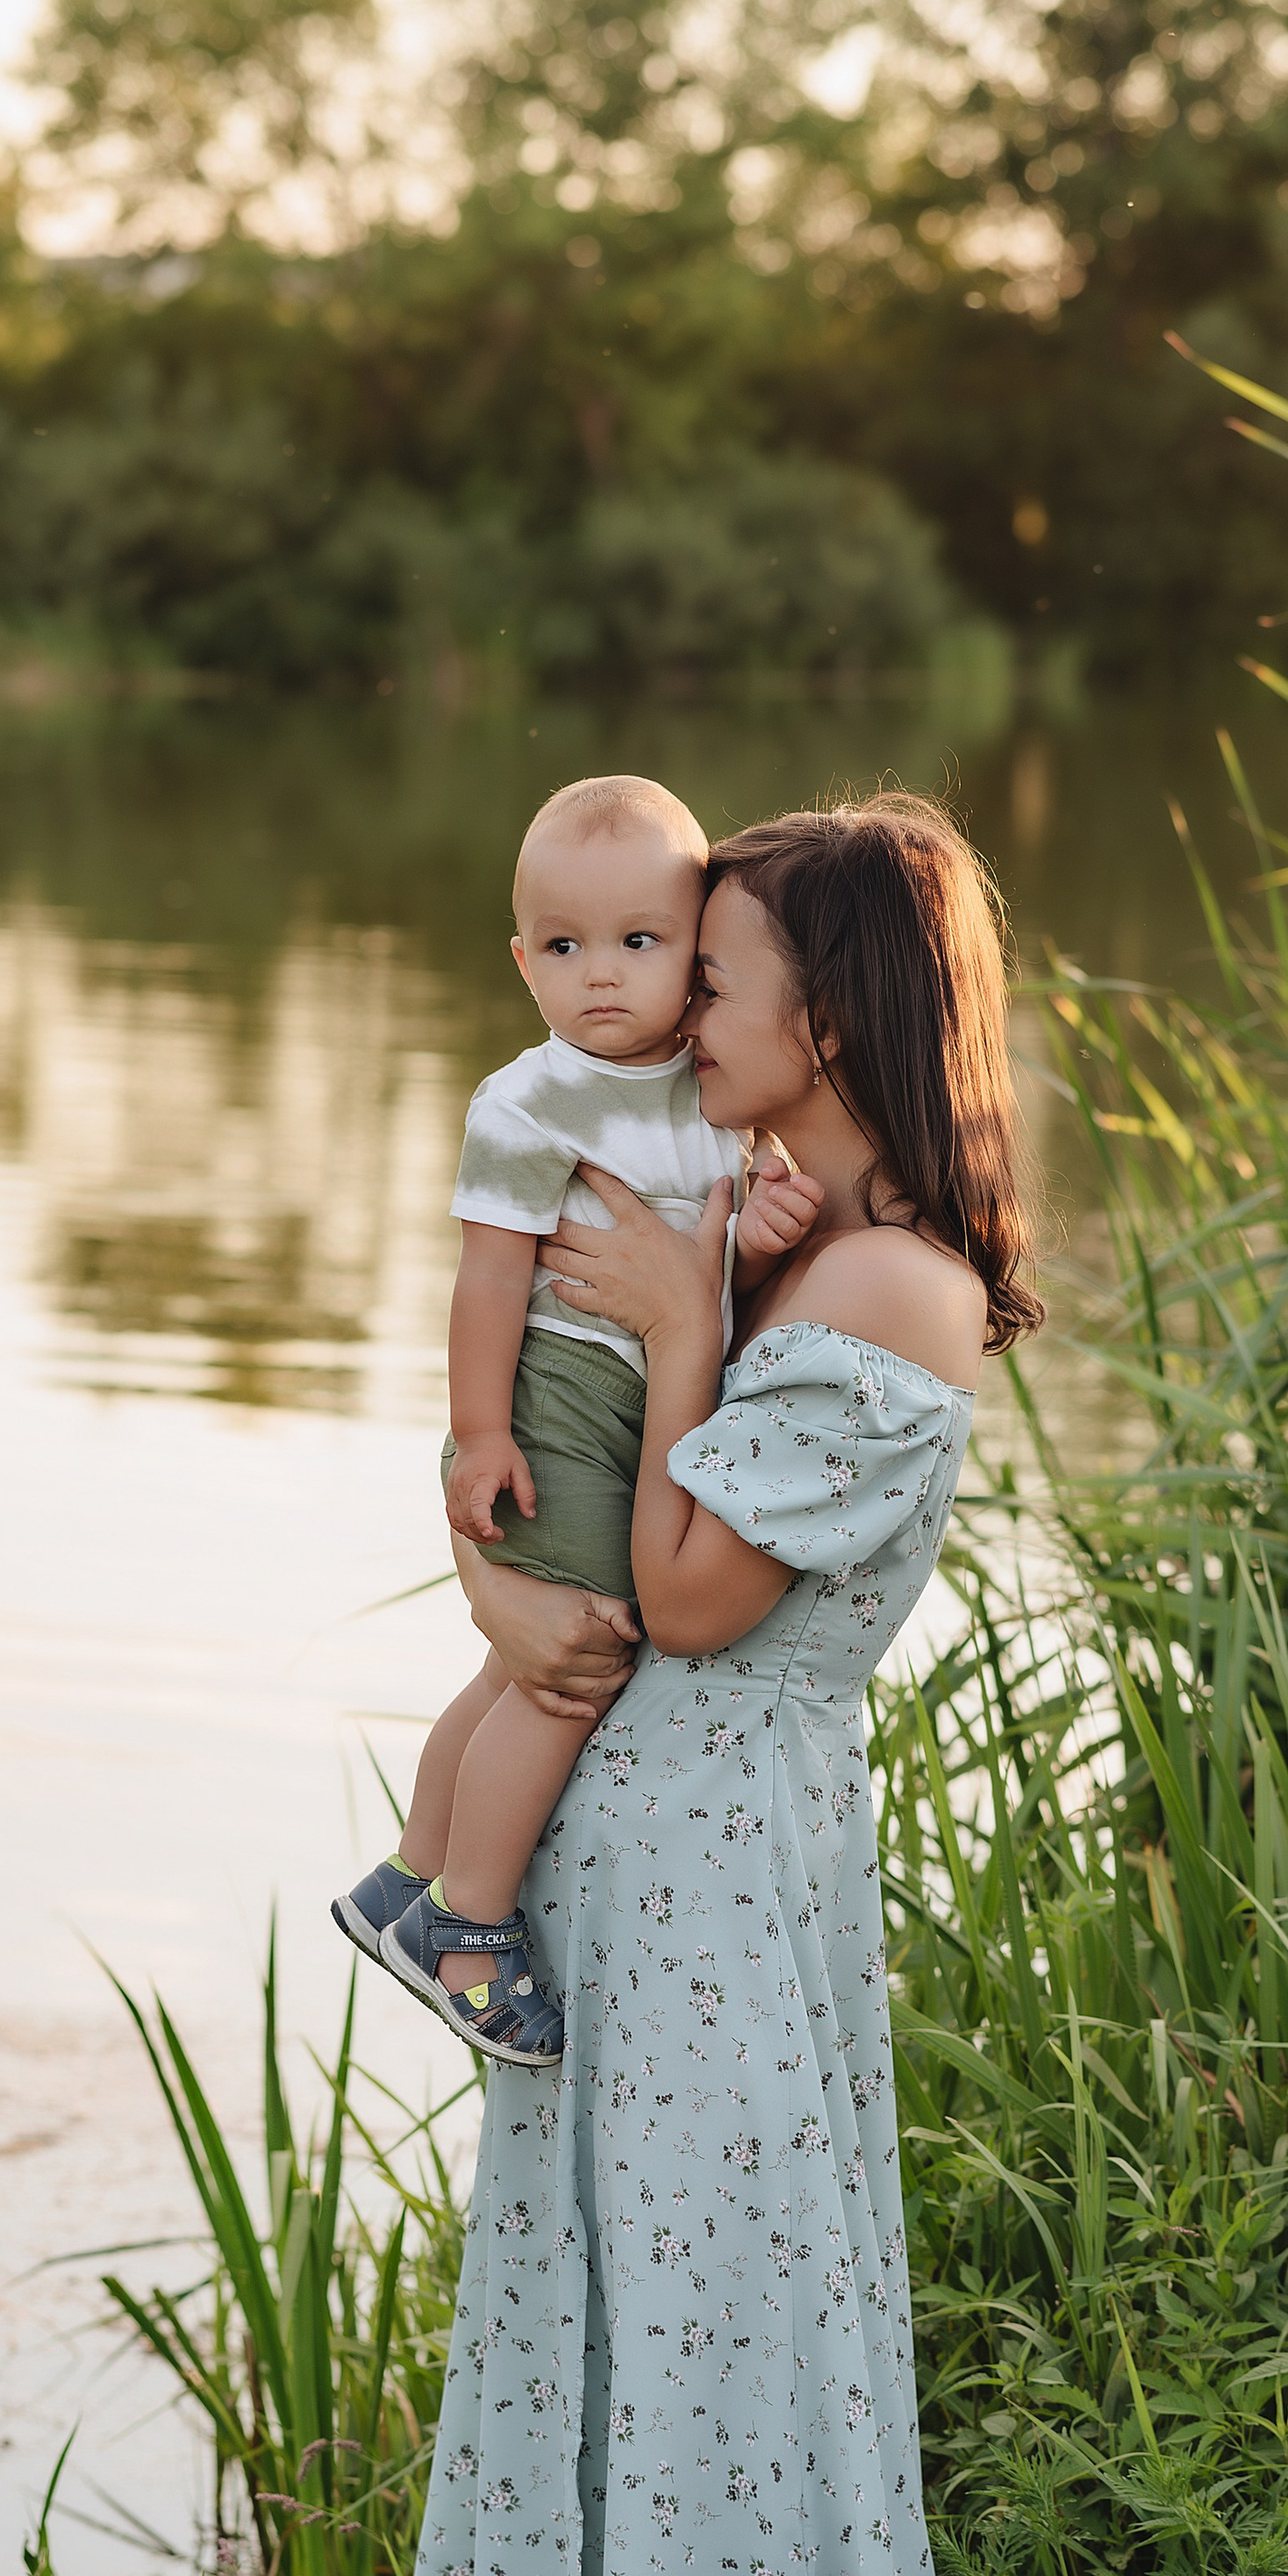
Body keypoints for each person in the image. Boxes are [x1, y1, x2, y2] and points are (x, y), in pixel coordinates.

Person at [413, 793, 1046, 2576]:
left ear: (833, 1012)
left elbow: (690, 1596)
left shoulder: (892, 1291)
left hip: (729, 1895)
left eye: (720, 970)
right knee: (693, 2356)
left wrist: (687, 1319)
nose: (679, 1004)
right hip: (645, 1872)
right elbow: (573, 1484)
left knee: (782, 2367)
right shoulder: (795, 1240)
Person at [333, 774, 823, 2063]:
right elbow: (491, 1279)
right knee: (574, 1668)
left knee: (518, 1668)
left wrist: (762, 1233)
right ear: (521, 961)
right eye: (563, 947)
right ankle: (469, 1927)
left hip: (644, 1385)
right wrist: (482, 1433)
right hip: (559, 1393)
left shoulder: (717, 1089)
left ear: (697, 955)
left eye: (639, 942)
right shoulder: (529, 1103)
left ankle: (409, 1875)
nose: (600, 975)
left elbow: (703, 1263)